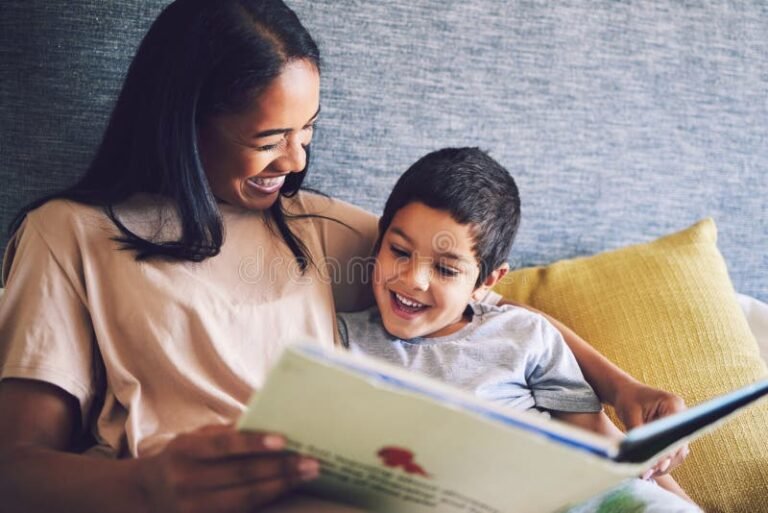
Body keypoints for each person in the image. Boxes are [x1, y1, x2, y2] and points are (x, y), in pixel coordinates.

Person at [0, 1, 685, 512]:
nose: (296, 161)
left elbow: (484, 306)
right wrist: (144, 483)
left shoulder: (312, 226)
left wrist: (625, 389)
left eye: (307, 131)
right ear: (186, 124)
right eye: (269, 138)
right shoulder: (68, 236)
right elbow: (14, 469)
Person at [338, 147, 698, 511]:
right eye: (399, 251)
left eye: (446, 270)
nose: (413, 280)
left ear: (487, 281)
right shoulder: (340, 341)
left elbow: (596, 435)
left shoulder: (521, 332)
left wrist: (667, 483)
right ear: (379, 240)